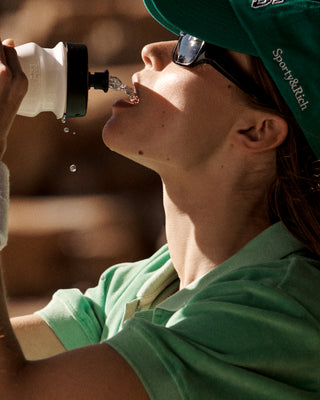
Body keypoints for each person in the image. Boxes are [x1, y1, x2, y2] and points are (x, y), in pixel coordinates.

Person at [0, 0, 320, 398]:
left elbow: (15, 388)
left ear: (256, 131)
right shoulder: (147, 282)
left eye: (192, 46)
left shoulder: (270, 312)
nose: (152, 51)